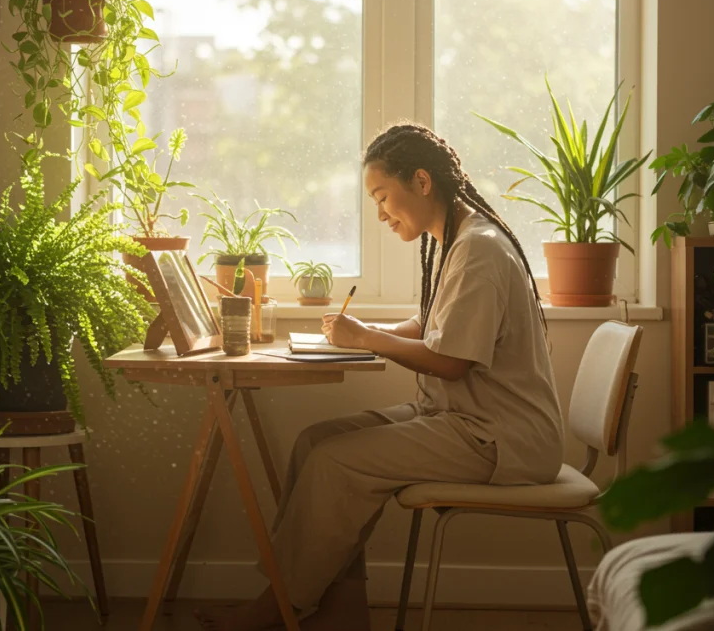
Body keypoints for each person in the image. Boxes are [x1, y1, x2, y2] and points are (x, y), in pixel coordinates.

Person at [196, 123, 564, 631]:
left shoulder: (479, 249)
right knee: (313, 443)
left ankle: (279, 608)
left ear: (421, 181)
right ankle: (337, 611)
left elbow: (452, 362)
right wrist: (367, 331)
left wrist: (367, 339)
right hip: (462, 420)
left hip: (497, 436)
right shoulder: (459, 239)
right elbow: (436, 325)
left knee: (333, 464)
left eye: (383, 196)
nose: (380, 213)